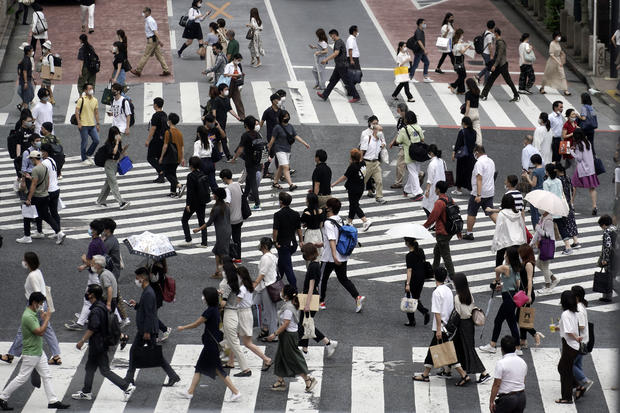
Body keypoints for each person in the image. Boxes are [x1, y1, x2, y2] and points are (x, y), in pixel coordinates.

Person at [0, 292, 70, 411]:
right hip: (31, 353)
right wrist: (46, 319)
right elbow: (40, 332)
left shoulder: (33, 313)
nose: (41, 306)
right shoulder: (28, 316)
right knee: (21, 378)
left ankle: (53, 400)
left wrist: (43, 319)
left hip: (38, 351)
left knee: (46, 375)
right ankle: (3, 397)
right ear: (34, 303)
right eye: (40, 304)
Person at [175, 287, 241, 401]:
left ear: (208, 299)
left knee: (218, 370)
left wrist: (183, 327)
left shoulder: (210, 311)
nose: (203, 298)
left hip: (210, 345)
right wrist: (218, 294)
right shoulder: (216, 308)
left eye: (204, 296)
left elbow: (196, 324)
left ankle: (235, 392)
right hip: (212, 343)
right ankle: (190, 391)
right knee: (200, 367)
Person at [71, 284, 133, 402]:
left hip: (97, 344)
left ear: (92, 295)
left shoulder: (95, 311)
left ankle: (126, 387)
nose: (87, 294)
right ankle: (86, 391)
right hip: (102, 342)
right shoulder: (102, 306)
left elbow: (92, 328)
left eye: (88, 292)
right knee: (90, 367)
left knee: (104, 370)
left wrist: (82, 341)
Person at [1, 252, 62, 366]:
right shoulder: (38, 272)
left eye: (24, 260)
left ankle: (10, 355)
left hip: (35, 306)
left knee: (23, 330)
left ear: (28, 262)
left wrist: (39, 309)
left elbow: (37, 292)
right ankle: (56, 356)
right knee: (48, 330)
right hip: (41, 305)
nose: (23, 262)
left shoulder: (32, 276)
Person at [412, 267, 470, 385]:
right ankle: (425, 374)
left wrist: (438, 329)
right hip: (447, 325)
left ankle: (463, 375)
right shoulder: (448, 290)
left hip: (441, 327)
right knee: (433, 350)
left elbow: (437, 312)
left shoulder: (437, 292)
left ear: (434, 276)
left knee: (447, 352)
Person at [124, 267, 180, 386]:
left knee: (142, 353)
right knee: (146, 353)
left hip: (147, 330)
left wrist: (147, 332)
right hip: (146, 329)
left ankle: (129, 378)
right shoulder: (147, 291)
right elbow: (146, 309)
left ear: (143, 278)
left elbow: (150, 314)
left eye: (137, 278)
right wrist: (137, 305)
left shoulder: (148, 293)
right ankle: (130, 377)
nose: (136, 280)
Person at [266, 285, 318, 393]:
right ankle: (280, 381)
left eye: (282, 291)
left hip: (289, 336)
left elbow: (286, 324)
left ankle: (308, 380)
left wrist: (274, 334)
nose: (280, 292)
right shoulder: (290, 304)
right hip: (286, 335)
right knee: (280, 357)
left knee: (293, 358)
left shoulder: (289, 308)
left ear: (286, 295)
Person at [318, 197, 365, 312]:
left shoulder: (328, 223)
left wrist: (334, 256)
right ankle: (357, 297)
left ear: (329, 208)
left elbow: (332, 240)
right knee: (343, 279)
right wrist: (319, 244)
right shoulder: (340, 220)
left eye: (326, 206)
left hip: (329, 257)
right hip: (342, 256)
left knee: (322, 279)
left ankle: (321, 301)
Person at [65, 219, 107, 331]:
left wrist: (83, 260)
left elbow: (89, 261)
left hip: (94, 276)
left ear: (94, 231)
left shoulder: (93, 244)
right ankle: (82, 321)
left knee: (90, 297)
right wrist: (84, 266)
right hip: (99, 272)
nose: (90, 230)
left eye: (91, 229)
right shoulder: (100, 242)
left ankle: (80, 323)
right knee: (101, 297)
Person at [479, 246, 522, 355]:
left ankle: (493, 345)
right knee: (511, 322)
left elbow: (496, 269)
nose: (504, 255)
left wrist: (497, 279)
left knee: (498, 320)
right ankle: (517, 347)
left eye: (506, 254)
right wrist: (503, 286)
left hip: (507, 298)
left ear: (509, 256)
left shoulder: (506, 267)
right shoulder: (516, 268)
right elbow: (517, 284)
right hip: (513, 297)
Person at [298, 244, 338, 355]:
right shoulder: (316, 264)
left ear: (309, 254)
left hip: (309, 299)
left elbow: (311, 286)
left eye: (304, 253)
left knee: (305, 324)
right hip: (313, 297)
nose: (303, 255)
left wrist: (307, 304)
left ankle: (328, 342)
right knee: (306, 323)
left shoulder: (312, 267)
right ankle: (305, 349)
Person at [452, 273, 491, 382]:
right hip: (470, 324)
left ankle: (484, 373)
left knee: (468, 349)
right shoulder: (469, 294)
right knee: (464, 346)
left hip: (463, 325)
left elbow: (458, 313)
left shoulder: (457, 297)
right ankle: (460, 368)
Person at [24, 150, 65, 244]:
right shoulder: (46, 165)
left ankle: (27, 236)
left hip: (38, 195)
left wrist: (29, 198)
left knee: (27, 214)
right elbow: (47, 179)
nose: (30, 161)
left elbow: (34, 185)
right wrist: (44, 190)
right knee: (47, 215)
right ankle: (59, 232)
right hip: (46, 194)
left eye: (30, 159)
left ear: (33, 158)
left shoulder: (36, 169)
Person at [268, 110, 310, 191]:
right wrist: (268, 150)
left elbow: (295, 136)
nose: (286, 118)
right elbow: (272, 140)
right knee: (286, 167)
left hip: (287, 150)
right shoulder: (277, 127)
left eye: (287, 116)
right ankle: (290, 184)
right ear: (281, 118)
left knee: (281, 166)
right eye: (284, 117)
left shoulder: (290, 126)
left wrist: (305, 143)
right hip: (279, 150)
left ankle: (275, 182)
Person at [194, 188, 231, 279]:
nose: (212, 195)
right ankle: (218, 271)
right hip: (227, 230)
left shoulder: (217, 208)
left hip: (221, 232)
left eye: (214, 194)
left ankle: (230, 272)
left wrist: (198, 229)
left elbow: (209, 223)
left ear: (217, 196)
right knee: (217, 251)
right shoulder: (226, 206)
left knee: (223, 254)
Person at [423, 181, 457, 278]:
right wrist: (458, 231)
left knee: (446, 256)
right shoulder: (450, 199)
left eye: (435, 188)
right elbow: (455, 215)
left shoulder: (439, 202)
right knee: (437, 251)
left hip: (442, 232)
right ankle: (434, 270)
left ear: (438, 189)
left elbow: (432, 217)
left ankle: (452, 276)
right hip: (450, 231)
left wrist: (424, 227)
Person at [331, 149, 371, 230]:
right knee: (353, 204)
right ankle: (349, 221)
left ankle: (365, 220)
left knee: (354, 205)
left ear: (352, 158)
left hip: (353, 188)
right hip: (361, 187)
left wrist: (334, 184)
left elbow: (344, 177)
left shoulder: (353, 167)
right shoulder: (363, 163)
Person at [317, 29, 360, 103]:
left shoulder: (338, 42)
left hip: (342, 65)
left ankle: (356, 96)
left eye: (331, 36)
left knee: (347, 82)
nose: (331, 38)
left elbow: (336, 53)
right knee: (333, 81)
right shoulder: (339, 42)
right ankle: (325, 95)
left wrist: (326, 60)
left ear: (334, 34)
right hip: (339, 65)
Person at [463, 145, 496, 240]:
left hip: (479, 193)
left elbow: (479, 179)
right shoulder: (491, 161)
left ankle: (469, 233)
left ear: (477, 152)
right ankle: (503, 229)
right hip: (489, 191)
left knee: (471, 212)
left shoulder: (479, 163)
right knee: (491, 212)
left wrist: (478, 194)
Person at [272, 191, 303, 289]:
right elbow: (299, 230)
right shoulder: (296, 214)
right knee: (282, 263)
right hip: (293, 244)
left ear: (281, 202)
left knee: (288, 268)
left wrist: (275, 242)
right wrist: (301, 241)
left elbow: (275, 230)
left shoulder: (278, 214)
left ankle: (294, 289)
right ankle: (276, 282)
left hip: (282, 244)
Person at [489, 336, 527, 413]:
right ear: (515, 348)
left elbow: (496, 384)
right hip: (521, 398)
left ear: (502, 349)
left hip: (507, 400)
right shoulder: (522, 362)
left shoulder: (501, 363)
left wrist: (491, 402)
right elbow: (523, 380)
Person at [556, 290, 582, 404]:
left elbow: (569, 331)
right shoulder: (573, 313)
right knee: (565, 368)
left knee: (564, 370)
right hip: (574, 346)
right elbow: (567, 328)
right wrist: (558, 328)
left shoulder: (565, 314)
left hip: (569, 345)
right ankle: (577, 385)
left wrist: (575, 338)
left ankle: (567, 397)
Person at [231, 116, 262, 210]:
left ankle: (257, 204)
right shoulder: (258, 134)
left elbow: (240, 148)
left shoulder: (245, 135)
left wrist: (234, 158)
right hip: (258, 161)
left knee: (252, 183)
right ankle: (244, 197)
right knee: (249, 180)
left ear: (246, 125)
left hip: (250, 162)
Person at [480, 28, 519, 102]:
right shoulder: (498, 42)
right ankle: (484, 95)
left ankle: (516, 95)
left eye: (494, 34)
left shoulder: (500, 43)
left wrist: (494, 65)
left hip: (502, 65)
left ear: (496, 33)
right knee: (491, 79)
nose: (493, 36)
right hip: (499, 65)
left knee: (508, 81)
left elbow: (499, 56)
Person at [543, 163, 574, 255]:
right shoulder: (558, 181)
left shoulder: (546, 183)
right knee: (561, 227)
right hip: (559, 206)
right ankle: (568, 246)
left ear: (547, 172)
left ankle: (547, 247)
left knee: (546, 227)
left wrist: (545, 210)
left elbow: (546, 197)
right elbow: (561, 193)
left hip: (551, 208)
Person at [130, 7, 171, 77]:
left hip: (152, 41)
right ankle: (166, 70)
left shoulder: (150, 21)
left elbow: (155, 31)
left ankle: (138, 70)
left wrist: (160, 41)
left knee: (145, 55)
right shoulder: (148, 20)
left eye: (144, 12)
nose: (143, 13)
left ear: (148, 12)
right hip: (154, 40)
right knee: (160, 56)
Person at [96, 127, 130, 210]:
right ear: (112, 135)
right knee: (114, 184)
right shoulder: (108, 143)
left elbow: (119, 152)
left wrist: (124, 150)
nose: (118, 135)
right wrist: (117, 142)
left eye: (118, 133)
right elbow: (113, 152)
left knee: (108, 184)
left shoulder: (118, 142)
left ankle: (100, 201)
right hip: (109, 165)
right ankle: (121, 202)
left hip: (115, 164)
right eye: (116, 134)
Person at [517, 245, 544, 348]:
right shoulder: (523, 263)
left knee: (519, 317)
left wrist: (528, 295)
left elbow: (529, 280)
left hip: (527, 293)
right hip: (522, 292)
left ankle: (535, 334)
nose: (519, 254)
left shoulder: (529, 264)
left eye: (520, 252)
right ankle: (523, 340)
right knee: (522, 316)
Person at [490, 194, 526, 267]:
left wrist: (494, 245)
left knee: (499, 259)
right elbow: (523, 227)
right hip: (518, 240)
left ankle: (498, 277)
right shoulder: (518, 213)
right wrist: (525, 241)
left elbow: (498, 230)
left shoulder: (502, 214)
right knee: (516, 261)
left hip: (505, 242)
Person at [571, 285, 593, 399]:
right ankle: (580, 385)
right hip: (584, 340)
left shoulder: (579, 308)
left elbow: (582, 325)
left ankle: (585, 381)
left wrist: (568, 326)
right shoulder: (581, 305)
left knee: (569, 364)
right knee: (577, 364)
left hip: (580, 341)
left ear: (576, 296)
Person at [254, 237, 279, 338]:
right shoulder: (272, 256)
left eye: (260, 244)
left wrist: (254, 284)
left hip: (267, 287)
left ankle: (273, 334)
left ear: (264, 246)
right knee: (255, 305)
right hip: (266, 286)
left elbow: (262, 274)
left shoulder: (266, 258)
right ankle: (265, 328)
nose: (259, 245)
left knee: (270, 311)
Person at [396, 110, 424, 200]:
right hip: (419, 153)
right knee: (414, 172)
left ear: (407, 119)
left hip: (409, 154)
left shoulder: (404, 130)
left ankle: (418, 193)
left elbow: (398, 141)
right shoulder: (418, 127)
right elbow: (422, 139)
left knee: (413, 173)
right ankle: (407, 189)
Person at [359, 116, 388, 204]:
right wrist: (360, 163)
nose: (381, 132)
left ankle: (379, 197)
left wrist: (383, 145)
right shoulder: (367, 138)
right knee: (362, 181)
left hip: (376, 162)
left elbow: (384, 142)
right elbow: (361, 150)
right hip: (367, 163)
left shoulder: (380, 138)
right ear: (374, 130)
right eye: (379, 130)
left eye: (381, 130)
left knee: (379, 180)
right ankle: (355, 195)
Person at [403, 237, 431, 327]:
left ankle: (412, 320)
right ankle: (424, 312)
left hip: (413, 279)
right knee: (416, 297)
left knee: (409, 299)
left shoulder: (409, 256)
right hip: (421, 277)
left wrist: (407, 283)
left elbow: (409, 270)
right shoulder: (421, 251)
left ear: (407, 243)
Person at [571, 129, 599, 215]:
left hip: (582, 169)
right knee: (592, 188)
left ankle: (571, 204)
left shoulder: (579, 145)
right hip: (590, 169)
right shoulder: (588, 143)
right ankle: (594, 206)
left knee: (574, 185)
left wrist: (571, 151)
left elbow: (579, 158)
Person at [530, 209, 559, 294]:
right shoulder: (543, 217)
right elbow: (537, 233)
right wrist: (531, 243)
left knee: (544, 266)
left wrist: (538, 229)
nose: (539, 209)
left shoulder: (549, 220)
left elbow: (548, 234)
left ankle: (548, 286)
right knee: (538, 264)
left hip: (547, 245)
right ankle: (554, 279)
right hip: (542, 245)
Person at [182, 157, 208, 248]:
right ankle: (204, 242)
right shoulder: (203, 174)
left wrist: (188, 204)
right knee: (202, 221)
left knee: (184, 220)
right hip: (202, 201)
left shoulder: (190, 176)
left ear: (191, 165)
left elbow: (190, 191)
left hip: (193, 202)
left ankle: (188, 239)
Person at [159, 112, 185, 197]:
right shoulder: (180, 133)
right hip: (178, 156)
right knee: (173, 173)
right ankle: (173, 192)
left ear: (169, 121)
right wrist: (182, 158)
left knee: (167, 173)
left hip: (170, 157)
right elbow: (182, 147)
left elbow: (165, 146)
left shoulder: (168, 132)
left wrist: (161, 157)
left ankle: (179, 185)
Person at [220, 169, 243, 262]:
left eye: (222, 179)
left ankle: (231, 255)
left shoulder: (228, 189)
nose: (223, 181)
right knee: (237, 238)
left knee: (227, 238)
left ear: (225, 178)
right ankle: (238, 257)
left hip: (231, 219)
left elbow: (227, 204)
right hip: (239, 217)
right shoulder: (238, 185)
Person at [211, 83, 240, 158]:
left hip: (224, 121)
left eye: (228, 89)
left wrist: (237, 117)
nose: (227, 91)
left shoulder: (227, 99)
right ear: (221, 91)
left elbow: (229, 109)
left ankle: (212, 153)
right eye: (226, 90)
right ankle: (228, 156)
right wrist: (216, 122)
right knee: (223, 139)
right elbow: (214, 112)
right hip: (217, 123)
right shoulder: (217, 100)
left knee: (217, 139)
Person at [555, 163, 580, 248]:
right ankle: (576, 241)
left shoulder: (558, 180)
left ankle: (568, 243)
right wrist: (571, 200)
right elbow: (573, 189)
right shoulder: (567, 177)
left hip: (562, 203)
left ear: (557, 171)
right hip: (569, 202)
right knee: (571, 221)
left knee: (564, 223)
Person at [148, 260, 173, 342]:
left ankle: (163, 330)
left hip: (155, 296)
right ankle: (159, 333)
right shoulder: (161, 266)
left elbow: (154, 280)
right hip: (157, 295)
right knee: (152, 315)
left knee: (152, 316)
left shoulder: (157, 267)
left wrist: (149, 272)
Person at [75, 83, 100, 166]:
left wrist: (98, 123)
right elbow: (77, 112)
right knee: (84, 142)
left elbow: (96, 113)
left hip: (92, 124)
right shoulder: (81, 100)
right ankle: (84, 158)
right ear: (85, 90)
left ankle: (88, 154)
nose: (91, 90)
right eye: (89, 89)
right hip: (83, 124)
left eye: (92, 88)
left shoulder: (95, 100)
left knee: (96, 140)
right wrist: (79, 122)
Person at [452, 116, 477, 195]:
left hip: (462, 156)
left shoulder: (462, 132)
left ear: (463, 123)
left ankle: (459, 189)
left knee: (460, 172)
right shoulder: (474, 132)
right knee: (470, 173)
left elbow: (458, 144)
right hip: (471, 155)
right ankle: (471, 189)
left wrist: (454, 153)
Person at [540, 31, 570, 96]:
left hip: (558, 60)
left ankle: (566, 90)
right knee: (548, 75)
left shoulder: (558, 43)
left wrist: (562, 54)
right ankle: (542, 88)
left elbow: (559, 51)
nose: (559, 37)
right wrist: (558, 62)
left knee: (562, 75)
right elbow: (551, 54)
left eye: (560, 36)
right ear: (555, 36)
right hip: (552, 61)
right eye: (558, 36)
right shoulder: (552, 43)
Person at [146, 97, 168, 183]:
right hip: (163, 138)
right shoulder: (164, 114)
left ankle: (161, 172)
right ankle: (161, 176)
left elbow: (153, 128)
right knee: (159, 157)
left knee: (150, 157)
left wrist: (148, 140)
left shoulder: (155, 115)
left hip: (156, 139)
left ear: (155, 105)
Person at [40, 144, 61, 231]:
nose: (41, 153)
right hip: (56, 188)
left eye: (42, 151)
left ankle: (57, 230)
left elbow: (43, 177)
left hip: (49, 191)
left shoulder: (44, 163)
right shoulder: (52, 160)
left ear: (45, 152)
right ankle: (58, 230)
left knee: (44, 213)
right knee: (54, 212)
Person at [389, 103, 409, 189]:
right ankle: (420, 174)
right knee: (407, 164)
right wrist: (393, 141)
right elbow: (399, 132)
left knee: (399, 164)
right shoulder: (400, 120)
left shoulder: (408, 120)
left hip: (406, 145)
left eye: (398, 111)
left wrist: (395, 141)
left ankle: (398, 182)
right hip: (401, 145)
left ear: (402, 111)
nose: (398, 112)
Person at [597, 215, 617, 302]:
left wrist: (605, 259)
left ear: (604, 225)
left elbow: (607, 247)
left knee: (608, 276)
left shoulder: (607, 232)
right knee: (613, 275)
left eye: (601, 226)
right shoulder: (615, 229)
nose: (602, 228)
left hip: (612, 257)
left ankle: (607, 296)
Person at [422, 144, 446, 215]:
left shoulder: (432, 164)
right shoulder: (441, 161)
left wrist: (427, 191)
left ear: (431, 153)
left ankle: (432, 222)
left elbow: (430, 179)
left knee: (426, 206)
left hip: (434, 188)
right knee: (437, 206)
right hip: (442, 187)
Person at [407, 19, 433, 83]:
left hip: (421, 51)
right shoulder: (418, 31)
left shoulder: (422, 31)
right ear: (420, 24)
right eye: (424, 23)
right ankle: (410, 77)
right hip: (418, 51)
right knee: (415, 64)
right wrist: (424, 50)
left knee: (427, 62)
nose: (425, 24)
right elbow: (419, 41)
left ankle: (425, 77)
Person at [300, 193, 326, 257]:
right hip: (318, 232)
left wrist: (307, 224)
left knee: (309, 252)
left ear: (309, 201)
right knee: (318, 252)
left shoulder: (306, 212)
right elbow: (321, 224)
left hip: (309, 233)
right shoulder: (321, 211)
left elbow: (302, 222)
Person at [223, 53, 245, 119]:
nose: (239, 62)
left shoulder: (238, 67)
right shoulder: (229, 66)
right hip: (228, 84)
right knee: (224, 100)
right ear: (234, 59)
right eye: (238, 60)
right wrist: (235, 75)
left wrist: (240, 75)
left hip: (235, 84)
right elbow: (225, 74)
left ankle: (242, 117)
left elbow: (240, 74)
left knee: (238, 100)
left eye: (240, 60)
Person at [448, 29, 471, 94]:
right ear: (460, 35)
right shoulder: (458, 43)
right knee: (463, 75)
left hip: (457, 59)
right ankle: (453, 85)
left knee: (461, 75)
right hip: (459, 60)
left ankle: (461, 90)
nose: (463, 36)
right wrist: (467, 46)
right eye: (462, 34)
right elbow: (462, 51)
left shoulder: (455, 42)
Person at [475, 20, 496, 85]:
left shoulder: (486, 32)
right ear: (493, 27)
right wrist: (492, 55)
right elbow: (490, 46)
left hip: (484, 52)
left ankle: (479, 76)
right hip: (487, 53)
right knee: (489, 68)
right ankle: (485, 81)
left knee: (488, 67)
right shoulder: (489, 35)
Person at [17, 45, 34, 112]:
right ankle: (27, 113)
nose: (32, 52)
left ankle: (22, 105)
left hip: (26, 80)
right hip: (26, 81)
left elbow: (28, 71)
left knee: (30, 95)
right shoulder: (26, 60)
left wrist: (33, 78)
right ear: (28, 52)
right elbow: (24, 71)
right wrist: (26, 82)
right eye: (31, 51)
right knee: (28, 97)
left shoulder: (25, 59)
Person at [463, 79, 482, 143]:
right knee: (478, 131)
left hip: (470, 112)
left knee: (463, 129)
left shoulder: (468, 93)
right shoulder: (477, 91)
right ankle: (479, 145)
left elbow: (468, 105)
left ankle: (460, 145)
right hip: (476, 112)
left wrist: (465, 116)